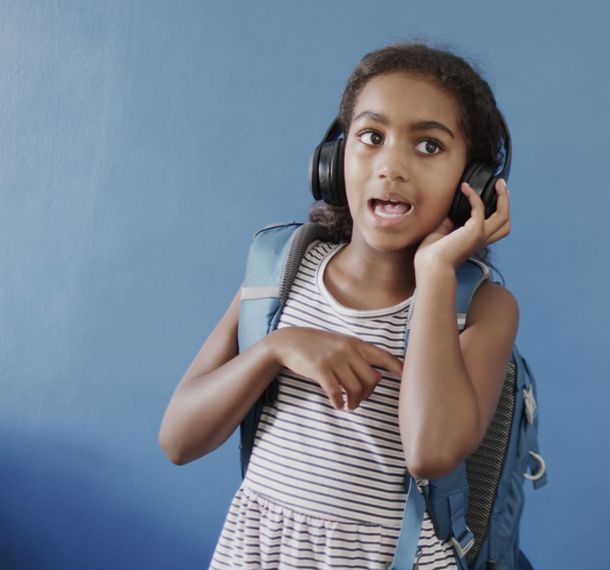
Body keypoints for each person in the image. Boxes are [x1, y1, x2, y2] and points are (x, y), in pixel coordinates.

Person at [159, 42, 518, 569]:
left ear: (476, 184)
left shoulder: (482, 308)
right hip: (261, 553)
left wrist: (436, 274)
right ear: (333, 160)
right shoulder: (279, 272)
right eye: (371, 137)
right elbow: (178, 440)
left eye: (429, 147)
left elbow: (432, 451)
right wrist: (276, 349)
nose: (391, 164)